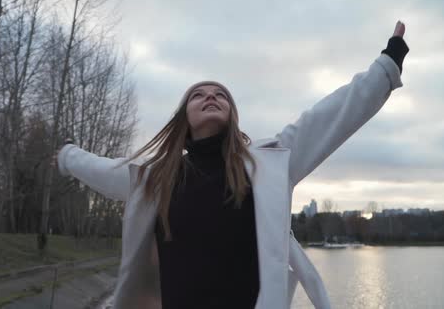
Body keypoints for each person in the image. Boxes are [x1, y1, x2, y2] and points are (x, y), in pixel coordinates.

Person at [53, 21, 409, 309]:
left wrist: (386, 66)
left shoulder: (269, 164)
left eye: (220, 94)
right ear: (184, 117)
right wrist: (66, 155)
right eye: (199, 93)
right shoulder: (155, 178)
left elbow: (330, 116)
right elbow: (99, 169)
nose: (211, 95)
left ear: (232, 114)